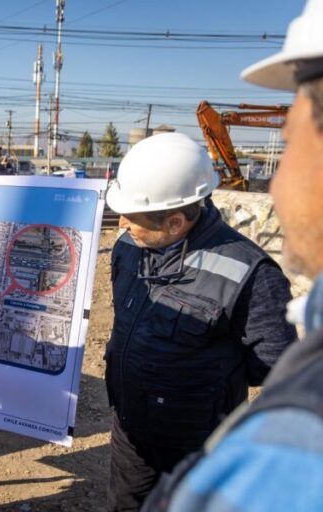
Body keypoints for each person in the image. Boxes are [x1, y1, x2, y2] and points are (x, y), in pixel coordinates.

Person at [142, 1, 323, 510]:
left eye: (289, 144)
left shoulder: (289, 451)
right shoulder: (131, 255)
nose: (277, 185)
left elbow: (266, 364)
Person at [103, 131, 297, 511]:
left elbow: (274, 368)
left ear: (175, 223)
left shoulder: (251, 274)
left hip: (198, 447)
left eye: (133, 216)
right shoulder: (128, 247)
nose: (122, 222)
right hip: (130, 429)